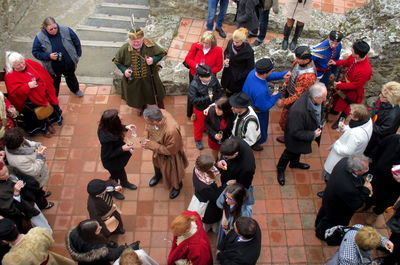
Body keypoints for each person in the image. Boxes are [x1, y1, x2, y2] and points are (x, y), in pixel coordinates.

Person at [276, 82, 326, 186]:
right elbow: (295, 132)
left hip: (305, 133)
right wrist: (313, 135)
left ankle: (294, 163)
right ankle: (280, 168)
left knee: (298, 151)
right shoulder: (298, 112)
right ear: (315, 97)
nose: (325, 100)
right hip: (295, 138)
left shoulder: (315, 98)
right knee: (289, 153)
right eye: (323, 97)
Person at [4, 51, 63, 136]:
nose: (22, 65)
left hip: (44, 94)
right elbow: (14, 94)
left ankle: (49, 123)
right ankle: (43, 128)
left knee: (49, 108)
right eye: (18, 65)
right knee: (37, 115)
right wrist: (27, 86)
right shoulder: (9, 76)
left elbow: (43, 73)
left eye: (22, 62)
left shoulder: (29, 62)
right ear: (12, 66)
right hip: (30, 102)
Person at [315, 155, 372, 241]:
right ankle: (322, 234)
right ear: (356, 171)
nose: (367, 170)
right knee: (331, 221)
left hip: (329, 197)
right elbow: (356, 204)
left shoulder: (345, 161)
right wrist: (366, 190)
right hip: (337, 208)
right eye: (366, 169)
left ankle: (318, 224)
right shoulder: (348, 188)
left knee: (324, 213)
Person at [113, 28, 166, 116]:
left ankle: (160, 107)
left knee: (156, 92)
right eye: (134, 41)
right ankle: (141, 106)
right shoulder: (124, 48)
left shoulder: (150, 45)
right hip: (134, 80)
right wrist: (124, 70)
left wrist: (153, 60)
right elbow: (117, 61)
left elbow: (162, 53)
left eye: (138, 41)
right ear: (130, 40)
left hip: (150, 78)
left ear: (142, 39)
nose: (136, 44)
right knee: (137, 95)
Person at [142, 107, 188, 199]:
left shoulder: (172, 131)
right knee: (157, 164)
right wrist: (148, 139)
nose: (146, 122)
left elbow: (171, 150)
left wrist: (151, 145)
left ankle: (177, 186)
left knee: (174, 171)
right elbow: (149, 128)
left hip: (171, 156)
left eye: (147, 120)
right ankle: (158, 176)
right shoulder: (159, 113)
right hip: (157, 151)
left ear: (154, 121)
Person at [243, 58, 288, 151]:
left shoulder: (253, 72)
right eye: (271, 71)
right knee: (258, 129)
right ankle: (255, 143)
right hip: (258, 113)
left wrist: (282, 74)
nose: (271, 72)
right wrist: (276, 96)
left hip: (247, 105)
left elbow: (267, 77)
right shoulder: (260, 91)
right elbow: (264, 107)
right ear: (265, 73)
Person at [320, 104, 373, 183]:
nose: (349, 114)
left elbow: (348, 151)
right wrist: (344, 128)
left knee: (332, 175)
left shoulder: (356, 135)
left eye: (351, 114)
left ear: (357, 118)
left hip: (341, 158)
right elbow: (355, 128)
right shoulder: (367, 121)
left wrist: (336, 144)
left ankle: (328, 189)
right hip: (355, 154)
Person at [32, 17, 84, 97]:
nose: (54, 30)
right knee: (54, 82)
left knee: (71, 77)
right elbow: (35, 52)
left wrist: (77, 55)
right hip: (53, 68)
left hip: (68, 64)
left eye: (55, 28)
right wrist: (48, 56)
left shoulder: (66, 30)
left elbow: (76, 41)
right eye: (51, 29)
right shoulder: (40, 37)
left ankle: (75, 90)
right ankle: (54, 96)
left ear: (57, 24)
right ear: (45, 28)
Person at [276, 45, 317, 143]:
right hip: (291, 93)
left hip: (298, 101)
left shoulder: (308, 77)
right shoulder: (298, 63)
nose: (296, 60)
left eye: (299, 58)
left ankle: (288, 137)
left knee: (289, 120)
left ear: (307, 60)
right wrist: (287, 81)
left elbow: (299, 96)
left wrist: (283, 102)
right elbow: (293, 73)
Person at [329, 40, 372, 129]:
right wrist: (336, 63)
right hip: (344, 84)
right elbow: (347, 62)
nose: (351, 50)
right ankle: (335, 111)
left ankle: (340, 122)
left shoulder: (366, 70)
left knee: (347, 107)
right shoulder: (354, 57)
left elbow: (356, 85)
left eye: (353, 50)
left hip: (352, 92)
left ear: (358, 55)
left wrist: (339, 85)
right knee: (337, 100)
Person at [0, 160, 52, 231]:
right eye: (2, 175)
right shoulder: (1, 193)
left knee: (38, 216)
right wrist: (16, 194)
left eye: (6, 171)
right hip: (24, 208)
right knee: (40, 223)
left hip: (28, 197)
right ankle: (46, 232)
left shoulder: (10, 169)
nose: (7, 175)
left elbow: (22, 176)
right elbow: (11, 210)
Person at [98, 109, 137, 200]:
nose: (121, 118)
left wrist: (126, 127)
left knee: (121, 171)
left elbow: (116, 127)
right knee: (114, 176)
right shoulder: (106, 139)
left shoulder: (106, 125)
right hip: (111, 162)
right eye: (119, 118)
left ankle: (124, 183)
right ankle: (113, 191)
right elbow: (107, 155)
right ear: (113, 122)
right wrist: (122, 149)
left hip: (117, 159)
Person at [0, 218, 75, 265]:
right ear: (15, 226)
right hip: (52, 261)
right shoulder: (38, 232)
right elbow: (49, 240)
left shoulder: (8, 260)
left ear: (4, 241)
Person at [66, 219, 139, 265]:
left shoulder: (77, 232)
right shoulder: (96, 249)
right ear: (91, 234)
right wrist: (123, 248)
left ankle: (108, 244)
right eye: (98, 229)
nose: (100, 227)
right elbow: (111, 256)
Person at [184, 31, 223, 117]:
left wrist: (207, 72)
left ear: (212, 43)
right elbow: (188, 59)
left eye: (207, 44)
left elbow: (219, 67)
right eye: (203, 43)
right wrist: (196, 66)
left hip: (210, 77)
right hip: (194, 74)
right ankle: (190, 112)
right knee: (193, 94)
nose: (204, 45)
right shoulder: (195, 46)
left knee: (209, 94)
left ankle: (209, 113)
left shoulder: (218, 50)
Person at [4, 127, 51, 197]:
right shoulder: (19, 160)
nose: (24, 139)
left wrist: (36, 145)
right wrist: (40, 157)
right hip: (37, 178)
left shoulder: (11, 144)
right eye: (22, 139)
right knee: (38, 191)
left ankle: (42, 193)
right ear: (19, 143)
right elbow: (34, 171)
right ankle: (43, 198)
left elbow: (27, 142)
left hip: (38, 170)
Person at [364, 135, 400, 225]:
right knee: (370, 192)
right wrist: (370, 165)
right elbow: (377, 151)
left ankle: (376, 213)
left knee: (384, 201)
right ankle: (367, 204)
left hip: (393, 185)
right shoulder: (393, 139)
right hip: (377, 176)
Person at [188, 64, 222, 150]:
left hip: (213, 105)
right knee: (198, 125)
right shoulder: (194, 85)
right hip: (200, 109)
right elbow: (193, 100)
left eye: (210, 76)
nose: (210, 78)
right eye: (207, 77)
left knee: (211, 120)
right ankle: (198, 139)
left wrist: (216, 101)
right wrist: (207, 98)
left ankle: (206, 129)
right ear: (200, 77)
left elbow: (218, 90)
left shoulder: (213, 78)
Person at [325, 225, 393, 265]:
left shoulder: (358, 228)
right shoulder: (348, 258)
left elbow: (373, 235)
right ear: (366, 248)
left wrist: (385, 242)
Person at [364, 81, 400, 156]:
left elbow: (381, 131)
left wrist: (368, 122)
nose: (380, 95)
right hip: (372, 133)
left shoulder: (393, 116)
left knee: (368, 155)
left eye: (383, 95)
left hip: (377, 141)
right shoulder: (383, 100)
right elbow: (375, 110)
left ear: (390, 99)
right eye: (381, 93)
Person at [192, 154, 224, 233]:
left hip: (207, 196)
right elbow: (216, 197)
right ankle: (210, 229)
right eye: (213, 165)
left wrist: (218, 165)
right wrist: (220, 183)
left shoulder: (197, 168)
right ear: (206, 168)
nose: (214, 166)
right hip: (208, 206)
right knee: (210, 218)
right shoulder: (204, 187)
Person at [216, 183, 254, 247]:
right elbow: (220, 203)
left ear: (238, 200)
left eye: (230, 199)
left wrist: (227, 231)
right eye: (226, 197)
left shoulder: (244, 213)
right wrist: (224, 217)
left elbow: (240, 230)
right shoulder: (228, 192)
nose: (226, 200)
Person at [221, 27, 254, 96]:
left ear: (243, 40)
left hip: (237, 77)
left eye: (237, 42)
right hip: (227, 72)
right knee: (224, 85)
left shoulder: (248, 51)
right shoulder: (230, 42)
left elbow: (250, 68)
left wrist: (239, 76)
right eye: (233, 41)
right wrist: (225, 60)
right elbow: (226, 52)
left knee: (233, 92)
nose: (234, 43)